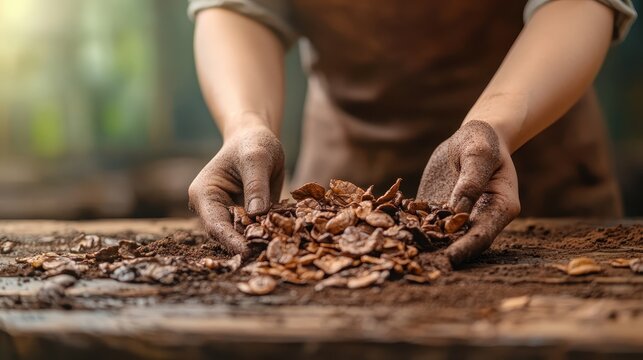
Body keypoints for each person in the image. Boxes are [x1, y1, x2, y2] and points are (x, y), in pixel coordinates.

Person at [186, 0, 637, 265]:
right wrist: (246, 124)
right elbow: (240, 9)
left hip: (532, 158)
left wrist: (494, 125)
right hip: (343, 181)